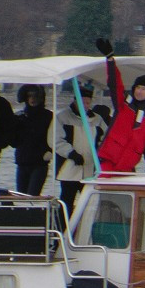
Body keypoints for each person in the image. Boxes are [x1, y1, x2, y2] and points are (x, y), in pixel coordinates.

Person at [94, 38, 145, 173]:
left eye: (144, 89)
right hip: (107, 162)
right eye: (138, 88)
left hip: (127, 167)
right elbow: (115, 84)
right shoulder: (124, 103)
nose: (139, 91)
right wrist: (110, 60)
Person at [50, 86, 107, 215]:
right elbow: (55, 139)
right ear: (75, 101)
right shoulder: (62, 117)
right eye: (82, 102)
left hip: (89, 171)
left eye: (88, 102)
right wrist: (71, 153)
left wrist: (100, 155)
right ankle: (64, 228)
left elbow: (105, 140)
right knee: (66, 202)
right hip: (68, 169)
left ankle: (84, 231)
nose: (85, 105)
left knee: (89, 203)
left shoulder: (97, 120)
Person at [11, 84, 54, 195]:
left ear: (41, 98)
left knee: (32, 195)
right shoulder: (19, 116)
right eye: (30, 96)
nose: (32, 99)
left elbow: (55, 137)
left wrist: (50, 151)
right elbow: (12, 140)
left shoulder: (49, 116)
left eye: (35, 96)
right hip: (22, 161)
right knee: (21, 195)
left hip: (40, 163)